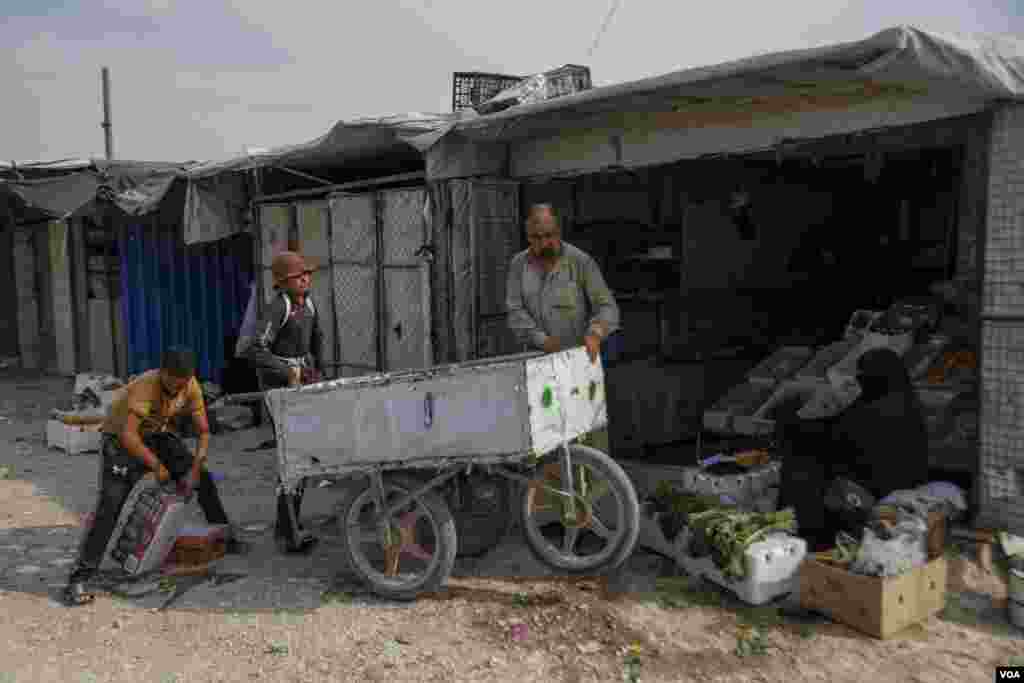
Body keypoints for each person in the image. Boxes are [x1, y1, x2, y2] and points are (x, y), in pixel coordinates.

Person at [62, 347, 248, 607]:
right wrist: (158, 467)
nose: (178, 387)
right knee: (110, 505)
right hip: (120, 442)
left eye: (183, 382)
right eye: (173, 381)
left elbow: (203, 431)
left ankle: (224, 537)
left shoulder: (190, 385)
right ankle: (79, 577)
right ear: (163, 373)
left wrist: (195, 467)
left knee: (203, 480)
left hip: (154, 435)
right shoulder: (146, 387)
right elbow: (129, 437)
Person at [777, 347, 930, 550]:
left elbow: (834, 435)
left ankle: (813, 541)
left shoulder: (877, 409)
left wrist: (791, 422)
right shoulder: (904, 398)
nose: (859, 379)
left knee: (804, 472)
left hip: (876, 490)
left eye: (862, 375)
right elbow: (841, 427)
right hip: (899, 482)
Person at [239, 250, 325, 554]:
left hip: (304, 385)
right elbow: (255, 350)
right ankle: (288, 532)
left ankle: (288, 526)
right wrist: (287, 370)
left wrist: (319, 375)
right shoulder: (279, 307)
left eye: (307, 274)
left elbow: (317, 341)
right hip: (281, 390)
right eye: (298, 276)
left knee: (305, 455)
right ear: (283, 283)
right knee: (293, 457)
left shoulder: (309, 304)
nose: (305, 279)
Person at [506, 204, 620, 364]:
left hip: (577, 359)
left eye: (549, 235)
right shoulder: (518, 264)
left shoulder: (581, 261)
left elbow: (607, 307)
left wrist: (595, 333)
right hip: (534, 360)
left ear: (559, 232)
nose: (544, 243)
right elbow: (515, 311)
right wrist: (542, 341)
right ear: (528, 236)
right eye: (536, 237)